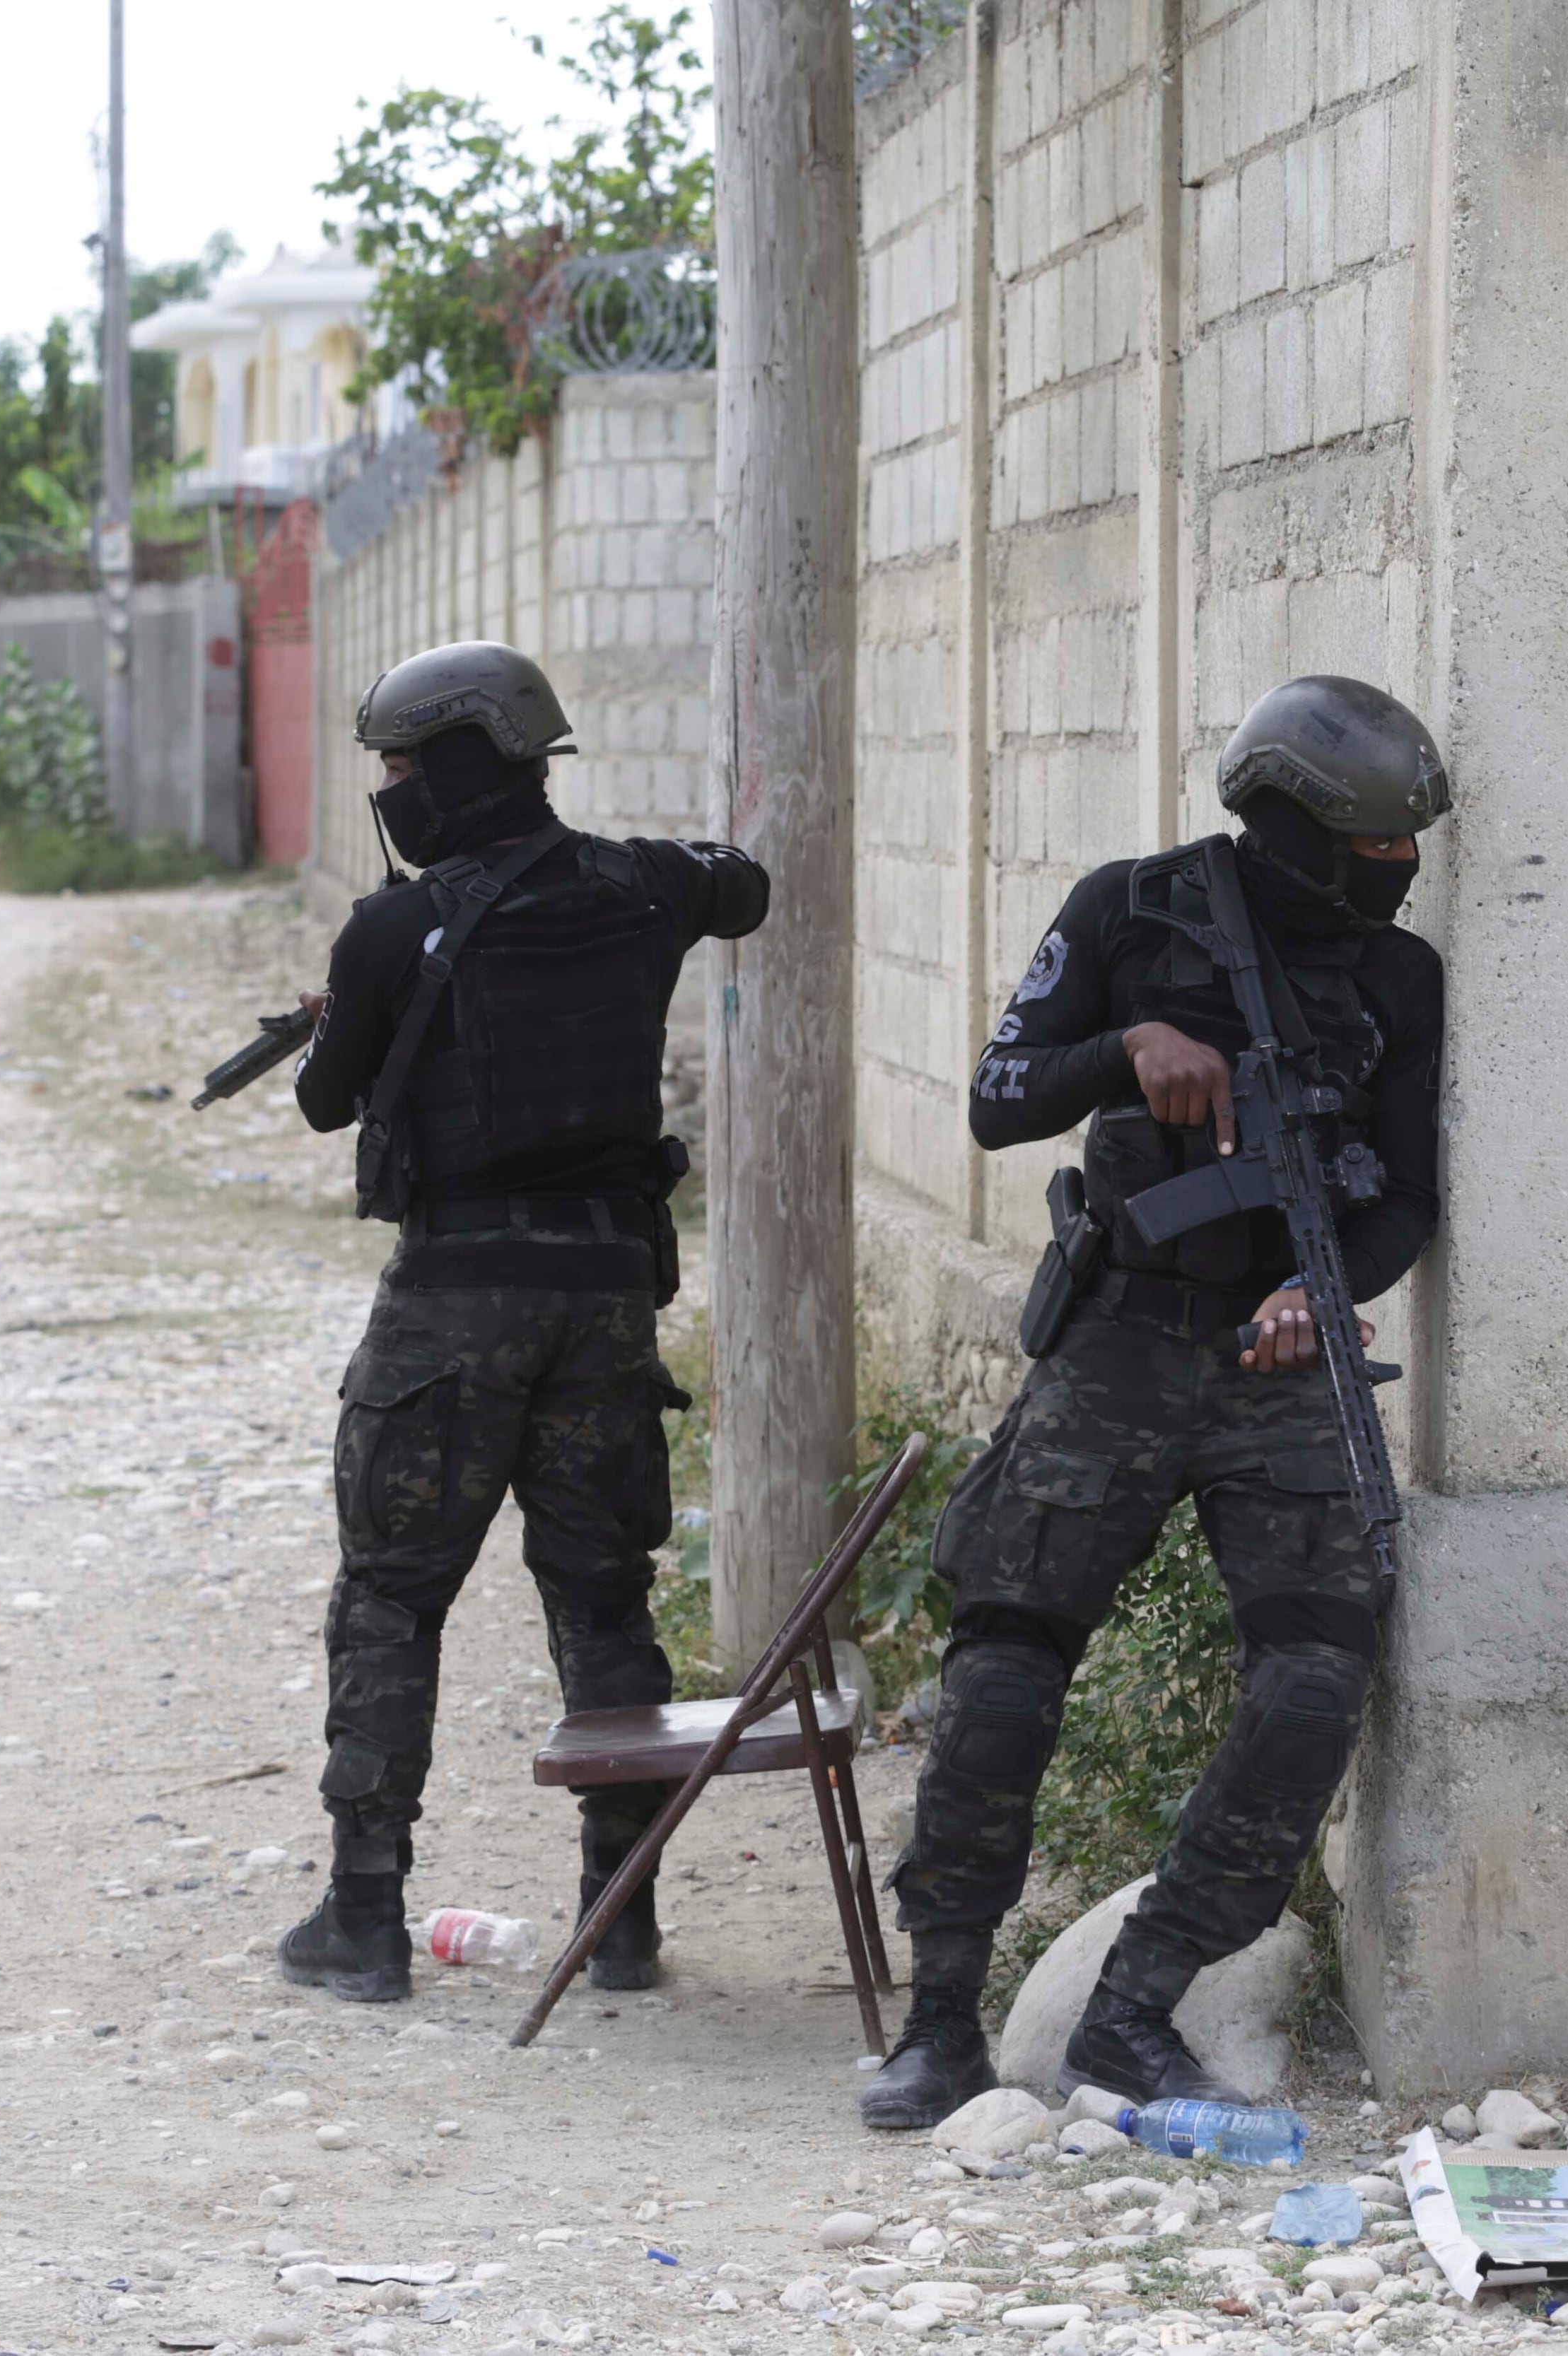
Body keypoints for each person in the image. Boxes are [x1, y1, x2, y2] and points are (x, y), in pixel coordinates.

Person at [861, 674, 1450, 2126]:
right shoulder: (1131, 908)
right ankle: (938, 2018)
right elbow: (1002, 1095)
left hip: (1277, 1363)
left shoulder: (1398, 978)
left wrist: (1318, 1289)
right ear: (1296, 826)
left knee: (1318, 1672)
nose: (1398, 873)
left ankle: (1135, 2004)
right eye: (1376, 849)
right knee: (1005, 1660)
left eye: (1406, 851)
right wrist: (1122, 1050)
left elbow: (1408, 1195)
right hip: (1123, 1341)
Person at [273, 640, 771, 2004]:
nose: (390, 790)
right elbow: (744, 882)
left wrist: (357, 1010)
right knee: (603, 1599)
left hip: (450, 1312)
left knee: (389, 1596)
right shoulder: (642, 885)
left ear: (455, 766)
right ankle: (624, 1919)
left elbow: (328, 1099)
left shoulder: (393, 928)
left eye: (399, 767)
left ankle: (365, 1918)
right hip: (605, 1304)